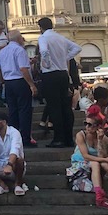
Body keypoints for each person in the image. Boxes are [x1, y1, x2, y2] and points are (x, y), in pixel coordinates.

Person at [66, 111, 108, 210]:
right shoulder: (81, 135)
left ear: (97, 126)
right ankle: (99, 197)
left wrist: (99, 140)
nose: (87, 127)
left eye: (90, 125)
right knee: (97, 163)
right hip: (80, 165)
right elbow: (86, 156)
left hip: (95, 165)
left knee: (105, 165)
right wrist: (105, 159)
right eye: (85, 124)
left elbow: (102, 154)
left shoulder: (105, 139)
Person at [37, 17, 82, 148]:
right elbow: (77, 48)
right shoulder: (60, 37)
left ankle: (58, 138)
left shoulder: (43, 38)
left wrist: (47, 63)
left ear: (41, 27)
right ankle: (69, 138)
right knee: (66, 107)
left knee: (54, 107)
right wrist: (64, 58)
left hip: (50, 74)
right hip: (63, 73)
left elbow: (44, 51)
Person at [0, 29, 38, 147]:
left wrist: (2, 80)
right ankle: (25, 139)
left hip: (8, 83)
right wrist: (31, 84)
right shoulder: (19, 50)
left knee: (12, 111)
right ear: (18, 39)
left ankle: (12, 138)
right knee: (24, 110)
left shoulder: (3, 51)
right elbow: (23, 69)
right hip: (20, 82)